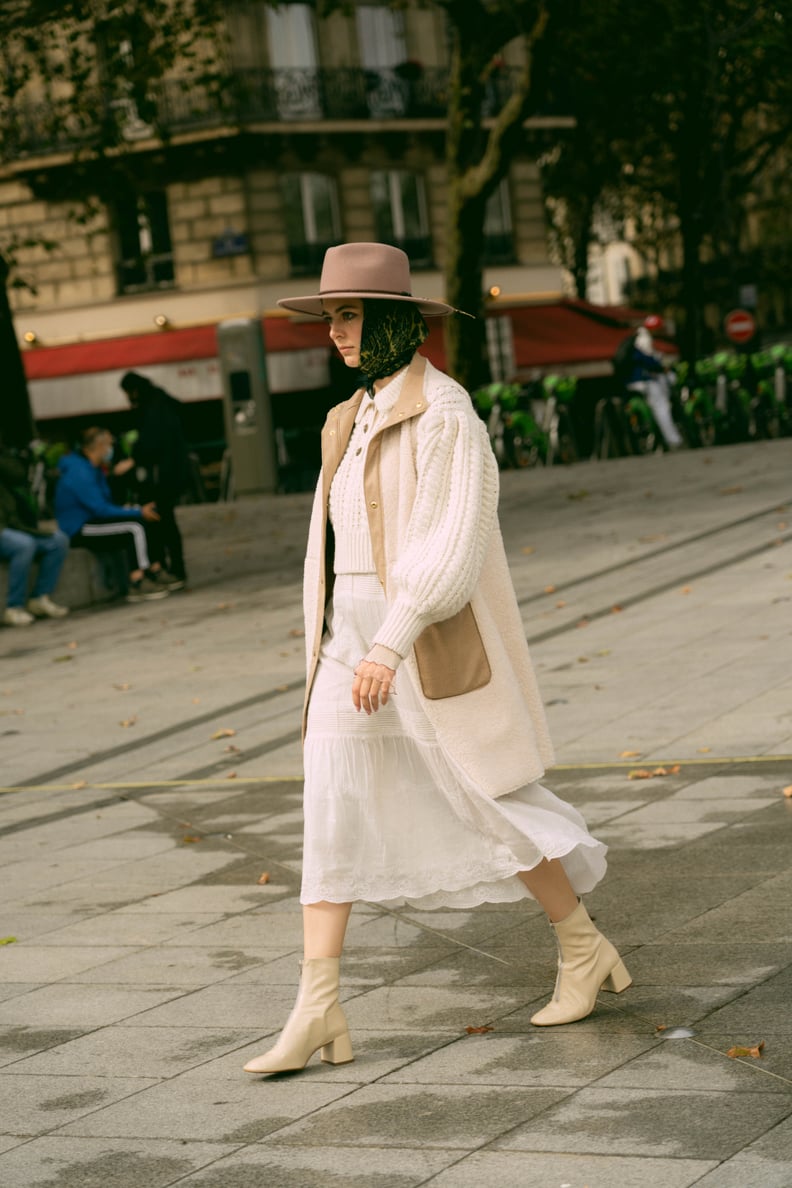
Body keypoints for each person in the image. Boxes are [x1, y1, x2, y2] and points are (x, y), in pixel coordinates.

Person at [243, 243, 631, 1078]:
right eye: (332, 318)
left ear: (392, 319)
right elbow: (336, 546)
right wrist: (333, 642)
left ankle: (582, 946)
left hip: (415, 637)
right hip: (347, 640)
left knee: (481, 796)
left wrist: (391, 640)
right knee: (329, 807)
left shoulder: (446, 413)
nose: (337, 333)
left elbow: (448, 551)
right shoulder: (348, 417)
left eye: (348, 315)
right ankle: (317, 1008)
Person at [55, 427, 181, 602]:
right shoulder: (79, 472)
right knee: (134, 527)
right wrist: (136, 511)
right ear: (97, 446)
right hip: (80, 527)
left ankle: (155, 569)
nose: (110, 449)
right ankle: (137, 582)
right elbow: (100, 509)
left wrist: (134, 510)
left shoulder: (94, 468)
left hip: (93, 520)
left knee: (142, 518)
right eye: (108, 445)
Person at [119, 372, 190, 583]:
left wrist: (133, 459)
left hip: (160, 477)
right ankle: (172, 565)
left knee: (161, 519)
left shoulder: (152, 408)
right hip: (170, 473)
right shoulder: (161, 402)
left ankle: (168, 566)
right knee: (166, 519)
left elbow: (151, 442)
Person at [0, 438, 69, 626]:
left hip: (11, 525)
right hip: (6, 531)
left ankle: (39, 598)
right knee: (23, 545)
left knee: (58, 541)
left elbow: (17, 474)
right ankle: (14, 607)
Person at [626, 315, 683, 449]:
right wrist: (661, 366)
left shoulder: (638, 338)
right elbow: (647, 361)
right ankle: (673, 440)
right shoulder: (644, 340)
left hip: (635, 380)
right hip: (644, 381)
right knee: (662, 408)